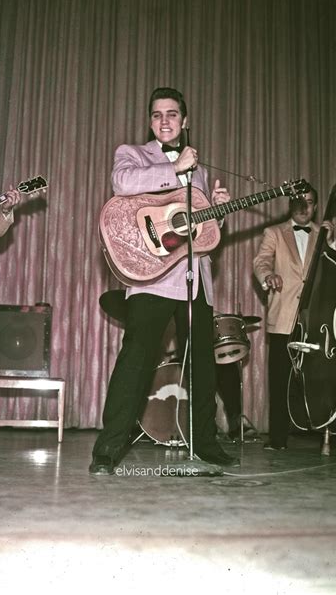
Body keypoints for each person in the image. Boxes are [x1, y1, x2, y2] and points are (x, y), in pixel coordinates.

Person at [90, 86, 238, 475]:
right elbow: (122, 183)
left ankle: (206, 443)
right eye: (157, 115)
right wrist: (175, 168)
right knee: (136, 359)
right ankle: (108, 449)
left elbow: (200, 233)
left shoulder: (201, 172)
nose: (165, 121)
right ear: (150, 121)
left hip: (195, 280)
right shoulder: (133, 155)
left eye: (172, 114)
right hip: (150, 278)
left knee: (204, 365)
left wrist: (218, 211)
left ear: (184, 121)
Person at [253, 188, 335, 450]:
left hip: (317, 319)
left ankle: (330, 434)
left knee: (321, 379)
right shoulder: (274, 233)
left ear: (315, 206)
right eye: (299, 202)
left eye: (310, 202)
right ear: (290, 204)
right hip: (284, 316)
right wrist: (268, 277)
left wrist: (331, 242)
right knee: (280, 380)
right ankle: (278, 439)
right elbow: (261, 261)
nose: (304, 207)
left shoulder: (323, 234)